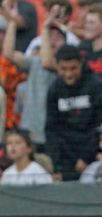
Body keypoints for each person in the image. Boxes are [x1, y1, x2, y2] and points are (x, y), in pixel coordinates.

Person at [2, 5, 67, 152]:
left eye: (58, 37)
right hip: (29, 129)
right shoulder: (35, 61)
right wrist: (12, 22)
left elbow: (47, 62)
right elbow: (8, 54)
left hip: (51, 132)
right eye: (50, 36)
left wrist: (44, 28)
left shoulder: (64, 67)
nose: (53, 41)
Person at [45, 45, 102, 182]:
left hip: (92, 157)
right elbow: (51, 129)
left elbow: (99, 124)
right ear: (56, 65)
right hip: (65, 159)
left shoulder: (95, 85)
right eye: (63, 69)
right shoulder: (54, 88)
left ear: (81, 63)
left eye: (73, 68)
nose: (68, 74)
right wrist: (60, 163)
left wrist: (86, 158)